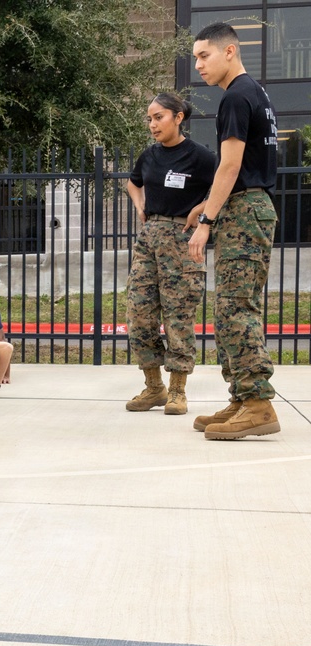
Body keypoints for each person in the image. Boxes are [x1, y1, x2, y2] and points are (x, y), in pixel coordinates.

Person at [188, 23, 281, 440]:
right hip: (248, 206)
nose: (198, 64)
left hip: (244, 212)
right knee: (235, 306)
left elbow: (229, 165)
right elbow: (242, 169)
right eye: (194, 57)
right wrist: (205, 205)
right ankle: (243, 397)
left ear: (229, 51)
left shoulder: (236, 97)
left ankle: (258, 403)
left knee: (234, 309)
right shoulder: (255, 93)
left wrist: (206, 223)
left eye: (204, 55)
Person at [124, 93, 216, 416]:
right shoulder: (149, 156)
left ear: (178, 118)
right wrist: (139, 203)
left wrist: (201, 211)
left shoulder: (200, 157)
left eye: (158, 117)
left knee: (178, 316)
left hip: (181, 240)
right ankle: (154, 387)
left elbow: (228, 186)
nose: (152, 125)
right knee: (139, 313)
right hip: (149, 240)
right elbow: (133, 183)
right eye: (149, 119)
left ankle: (178, 390)